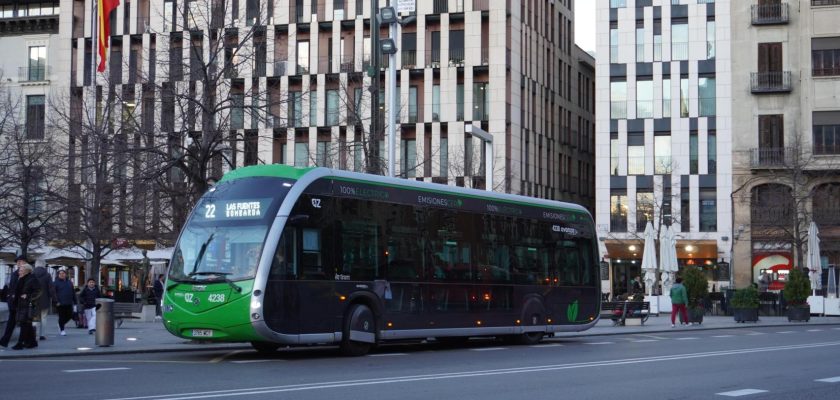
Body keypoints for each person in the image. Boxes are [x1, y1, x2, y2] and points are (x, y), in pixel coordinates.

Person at [12, 263, 41, 350]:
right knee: (26, 324)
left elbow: (39, 291)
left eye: (21, 270)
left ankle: (20, 343)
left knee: (24, 324)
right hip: (20, 304)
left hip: (28, 305)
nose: (19, 272)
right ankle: (32, 342)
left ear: (27, 271)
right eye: (19, 270)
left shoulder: (32, 279)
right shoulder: (21, 279)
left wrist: (28, 296)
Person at [0, 255, 24, 348]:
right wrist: (10, 297)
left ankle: (25, 342)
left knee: (25, 324)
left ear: (25, 262)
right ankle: (4, 341)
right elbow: (11, 287)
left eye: (20, 261)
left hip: (22, 303)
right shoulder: (15, 274)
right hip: (14, 302)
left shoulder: (28, 274)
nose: (18, 263)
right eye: (17, 261)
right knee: (12, 322)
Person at [32, 263, 54, 341]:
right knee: (43, 317)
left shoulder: (32, 274)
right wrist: (54, 298)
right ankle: (42, 334)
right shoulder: (47, 275)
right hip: (45, 299)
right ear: (44, 265)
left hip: (34, 299)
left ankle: (34, 333)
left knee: (35, 318)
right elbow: (51, 288)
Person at [53, 269, 76, 336]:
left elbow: (73, 292)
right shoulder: (55, 283)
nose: (62, 275)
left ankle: (61, 324)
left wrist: (75, 301)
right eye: (60, 274)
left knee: (70, 315)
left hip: (69, 302)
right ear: (58, 275)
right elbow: (54, 294)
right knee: (61, 316)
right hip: (60, 303)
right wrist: (56, 302)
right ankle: (62, 330)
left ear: (65, 274)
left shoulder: (69, 282)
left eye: (63, 273)